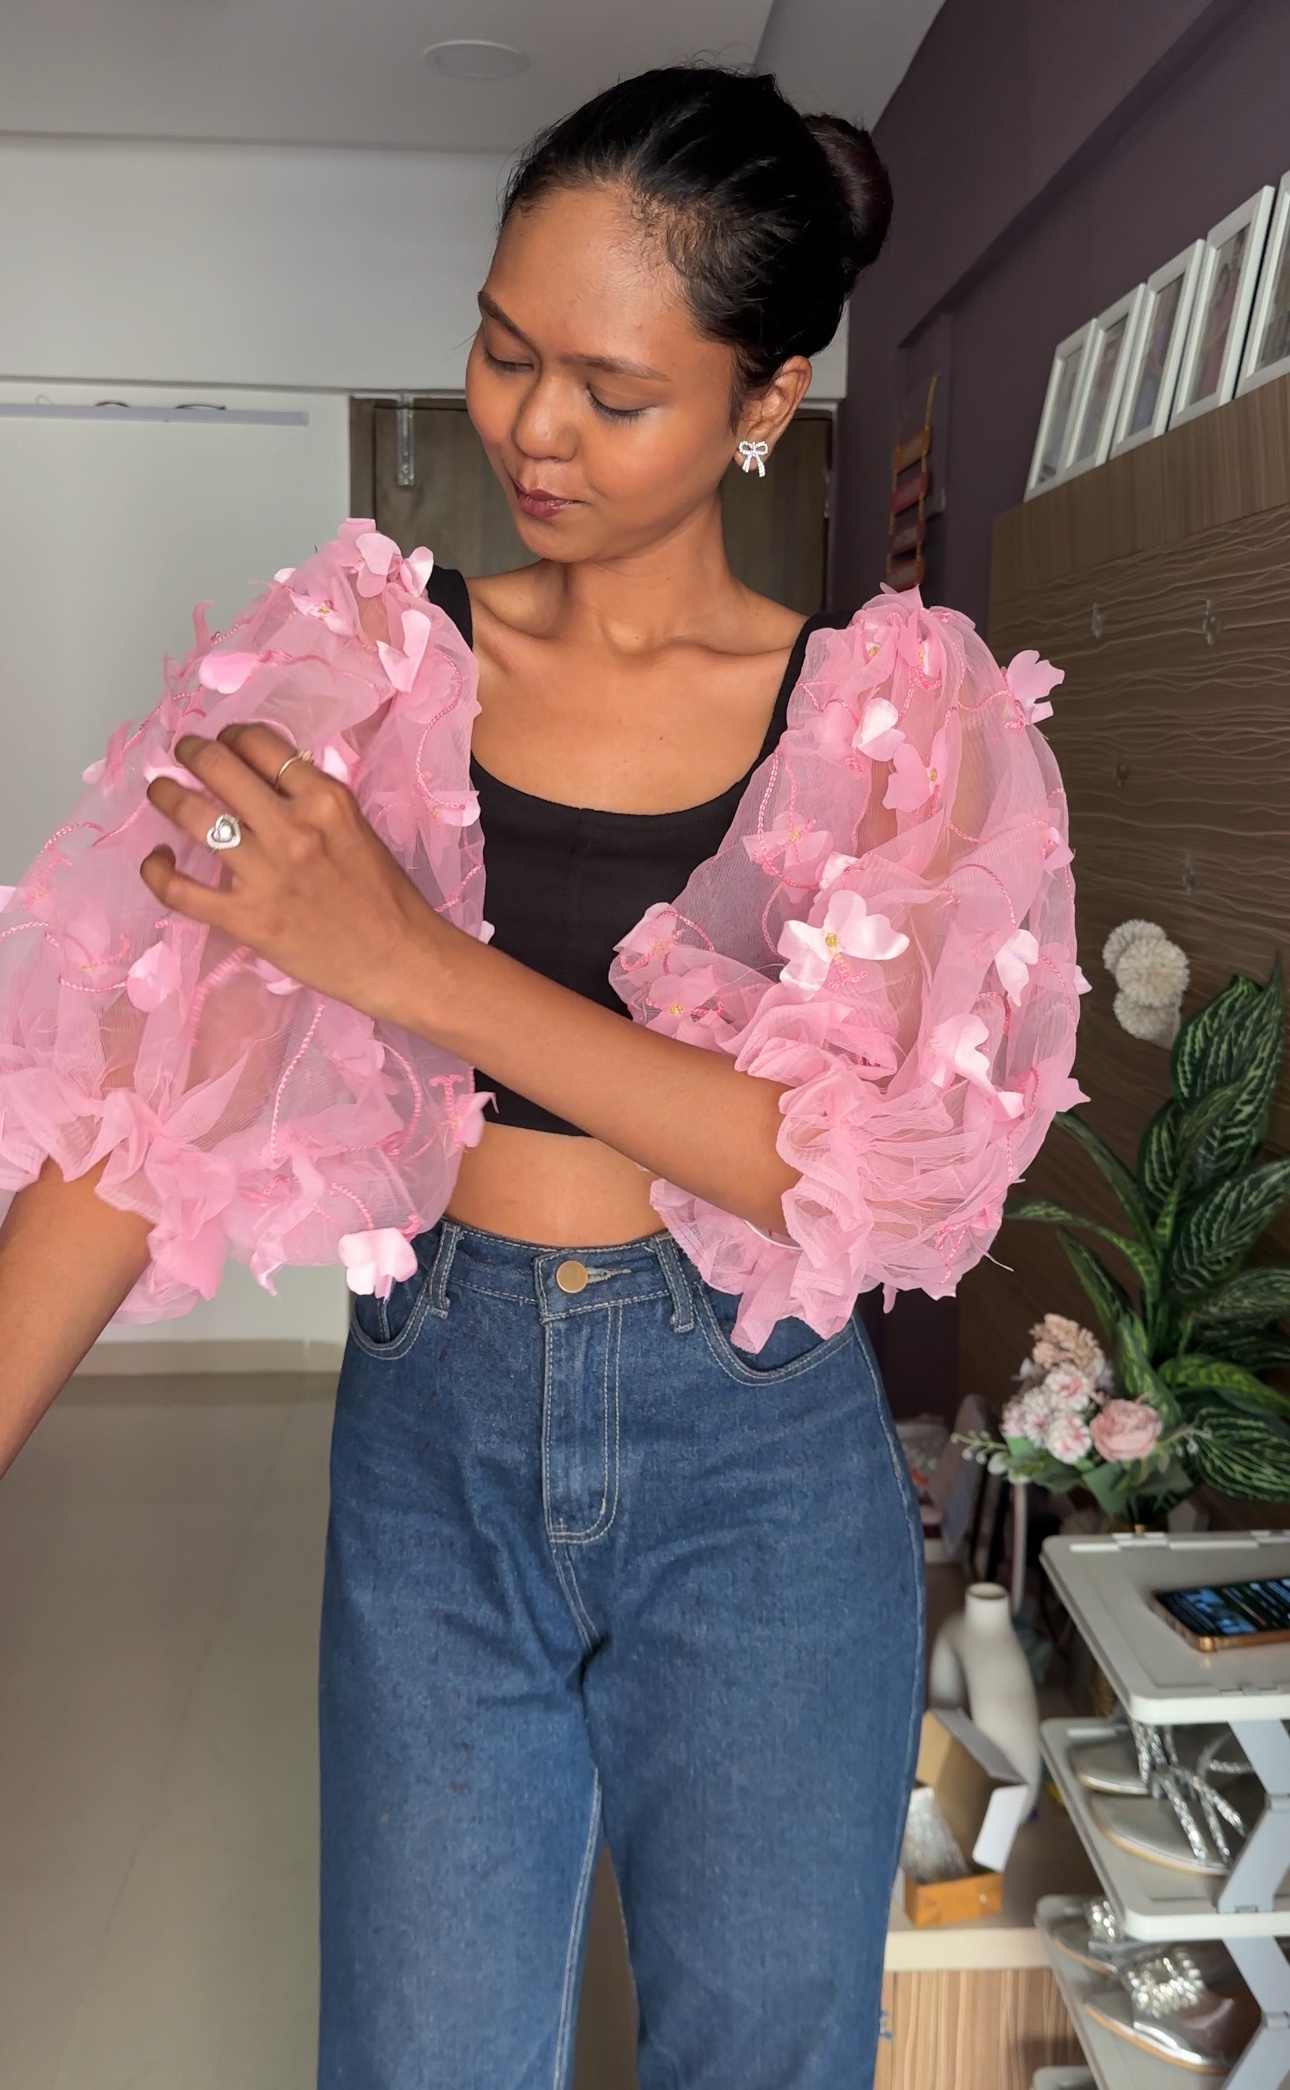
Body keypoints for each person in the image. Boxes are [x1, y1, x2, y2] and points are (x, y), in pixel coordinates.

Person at [0, 65, 1080, 2090]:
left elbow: (865, 1172)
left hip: (760, 1450)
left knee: (763, 2054)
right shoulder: (365, 658)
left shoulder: (893, 717)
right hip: (438, 1412)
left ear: (765, 399)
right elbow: (146, 1094)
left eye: (614, 388)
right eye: (505, 351)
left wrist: (412, 962)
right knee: (417, 2057)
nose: (532, 430)